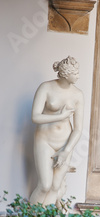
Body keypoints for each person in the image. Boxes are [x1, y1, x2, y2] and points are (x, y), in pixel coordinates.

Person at [30, 56, 84, 207]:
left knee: (55, 186)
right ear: (66, 74)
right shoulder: (45, 88)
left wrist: (66, 151)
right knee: (45, 185)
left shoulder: (78, 94)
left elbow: (78, 129)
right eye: (76, 72)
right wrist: (60, 116)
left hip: (65, 143)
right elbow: (35, 117)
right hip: (45, 140)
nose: (78, 76)